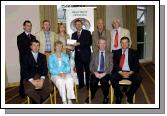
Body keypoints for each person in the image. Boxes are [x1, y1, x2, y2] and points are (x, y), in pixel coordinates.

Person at [111, 36, 142, 104]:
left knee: (138, 79)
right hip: (120, 71)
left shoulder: (134, 52)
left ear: (129, 43)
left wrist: (130, 73)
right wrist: (121, 72)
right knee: (112, 78)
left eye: (126, 42)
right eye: (122, 43)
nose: (124, 44)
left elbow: (136, 64)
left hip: (130, 71)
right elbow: (115, 64)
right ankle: (119, 95)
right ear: (120, 44)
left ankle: (129, 95)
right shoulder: (116, 52)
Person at [22, 39, 52, 104]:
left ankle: (37, 99)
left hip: (41, 76)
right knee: (28, 91)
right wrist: (32, 81)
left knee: (50, 88)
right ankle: (39, 101)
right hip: (30, 77)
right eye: (34, 45)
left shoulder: (43, 56)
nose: (36, 47)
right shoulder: (25, 56)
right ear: (31, 47)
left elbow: (45, 69)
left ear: (39, 47)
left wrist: (42, 79)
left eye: (38, 45)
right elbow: (24, 70)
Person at [85, 38, 113, 104]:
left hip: (105, 72)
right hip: (96, 72)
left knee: (104, 82)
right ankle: (92, 95)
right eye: (101, 43)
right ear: (98, 45)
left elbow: (111, 66)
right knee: (93, 82)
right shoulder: (94, 54)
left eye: (104, 43)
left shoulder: (110, 54)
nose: (102, 45)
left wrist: (104, 73)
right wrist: (95, 72)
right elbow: (91, 66)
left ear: (106, 45)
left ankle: (106, 96)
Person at [17, 20, 36, 98]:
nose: (29, 27)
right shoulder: (20, 37)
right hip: (24, 60)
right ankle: (22, 93)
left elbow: (35, 49)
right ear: (24, 27)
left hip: (32, 60)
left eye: (30, 26)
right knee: (24, 76)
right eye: (27, 25)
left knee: (32, 75)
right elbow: (21, 49)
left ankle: (32, 92)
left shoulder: (33, 37)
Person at [71, 19, 92, 89]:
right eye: (76, 24)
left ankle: (88, 85)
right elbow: (73, 45)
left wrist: (79, 43)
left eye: (79, 24)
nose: (78, 25)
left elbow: (89, 42)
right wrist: (70, 46)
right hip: (77, 56)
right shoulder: (73, 34)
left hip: (86, 55)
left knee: (87, 70)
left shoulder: (87, 32)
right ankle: (81, 84)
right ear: (75, 26)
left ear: (82, 25)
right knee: (79, 71)